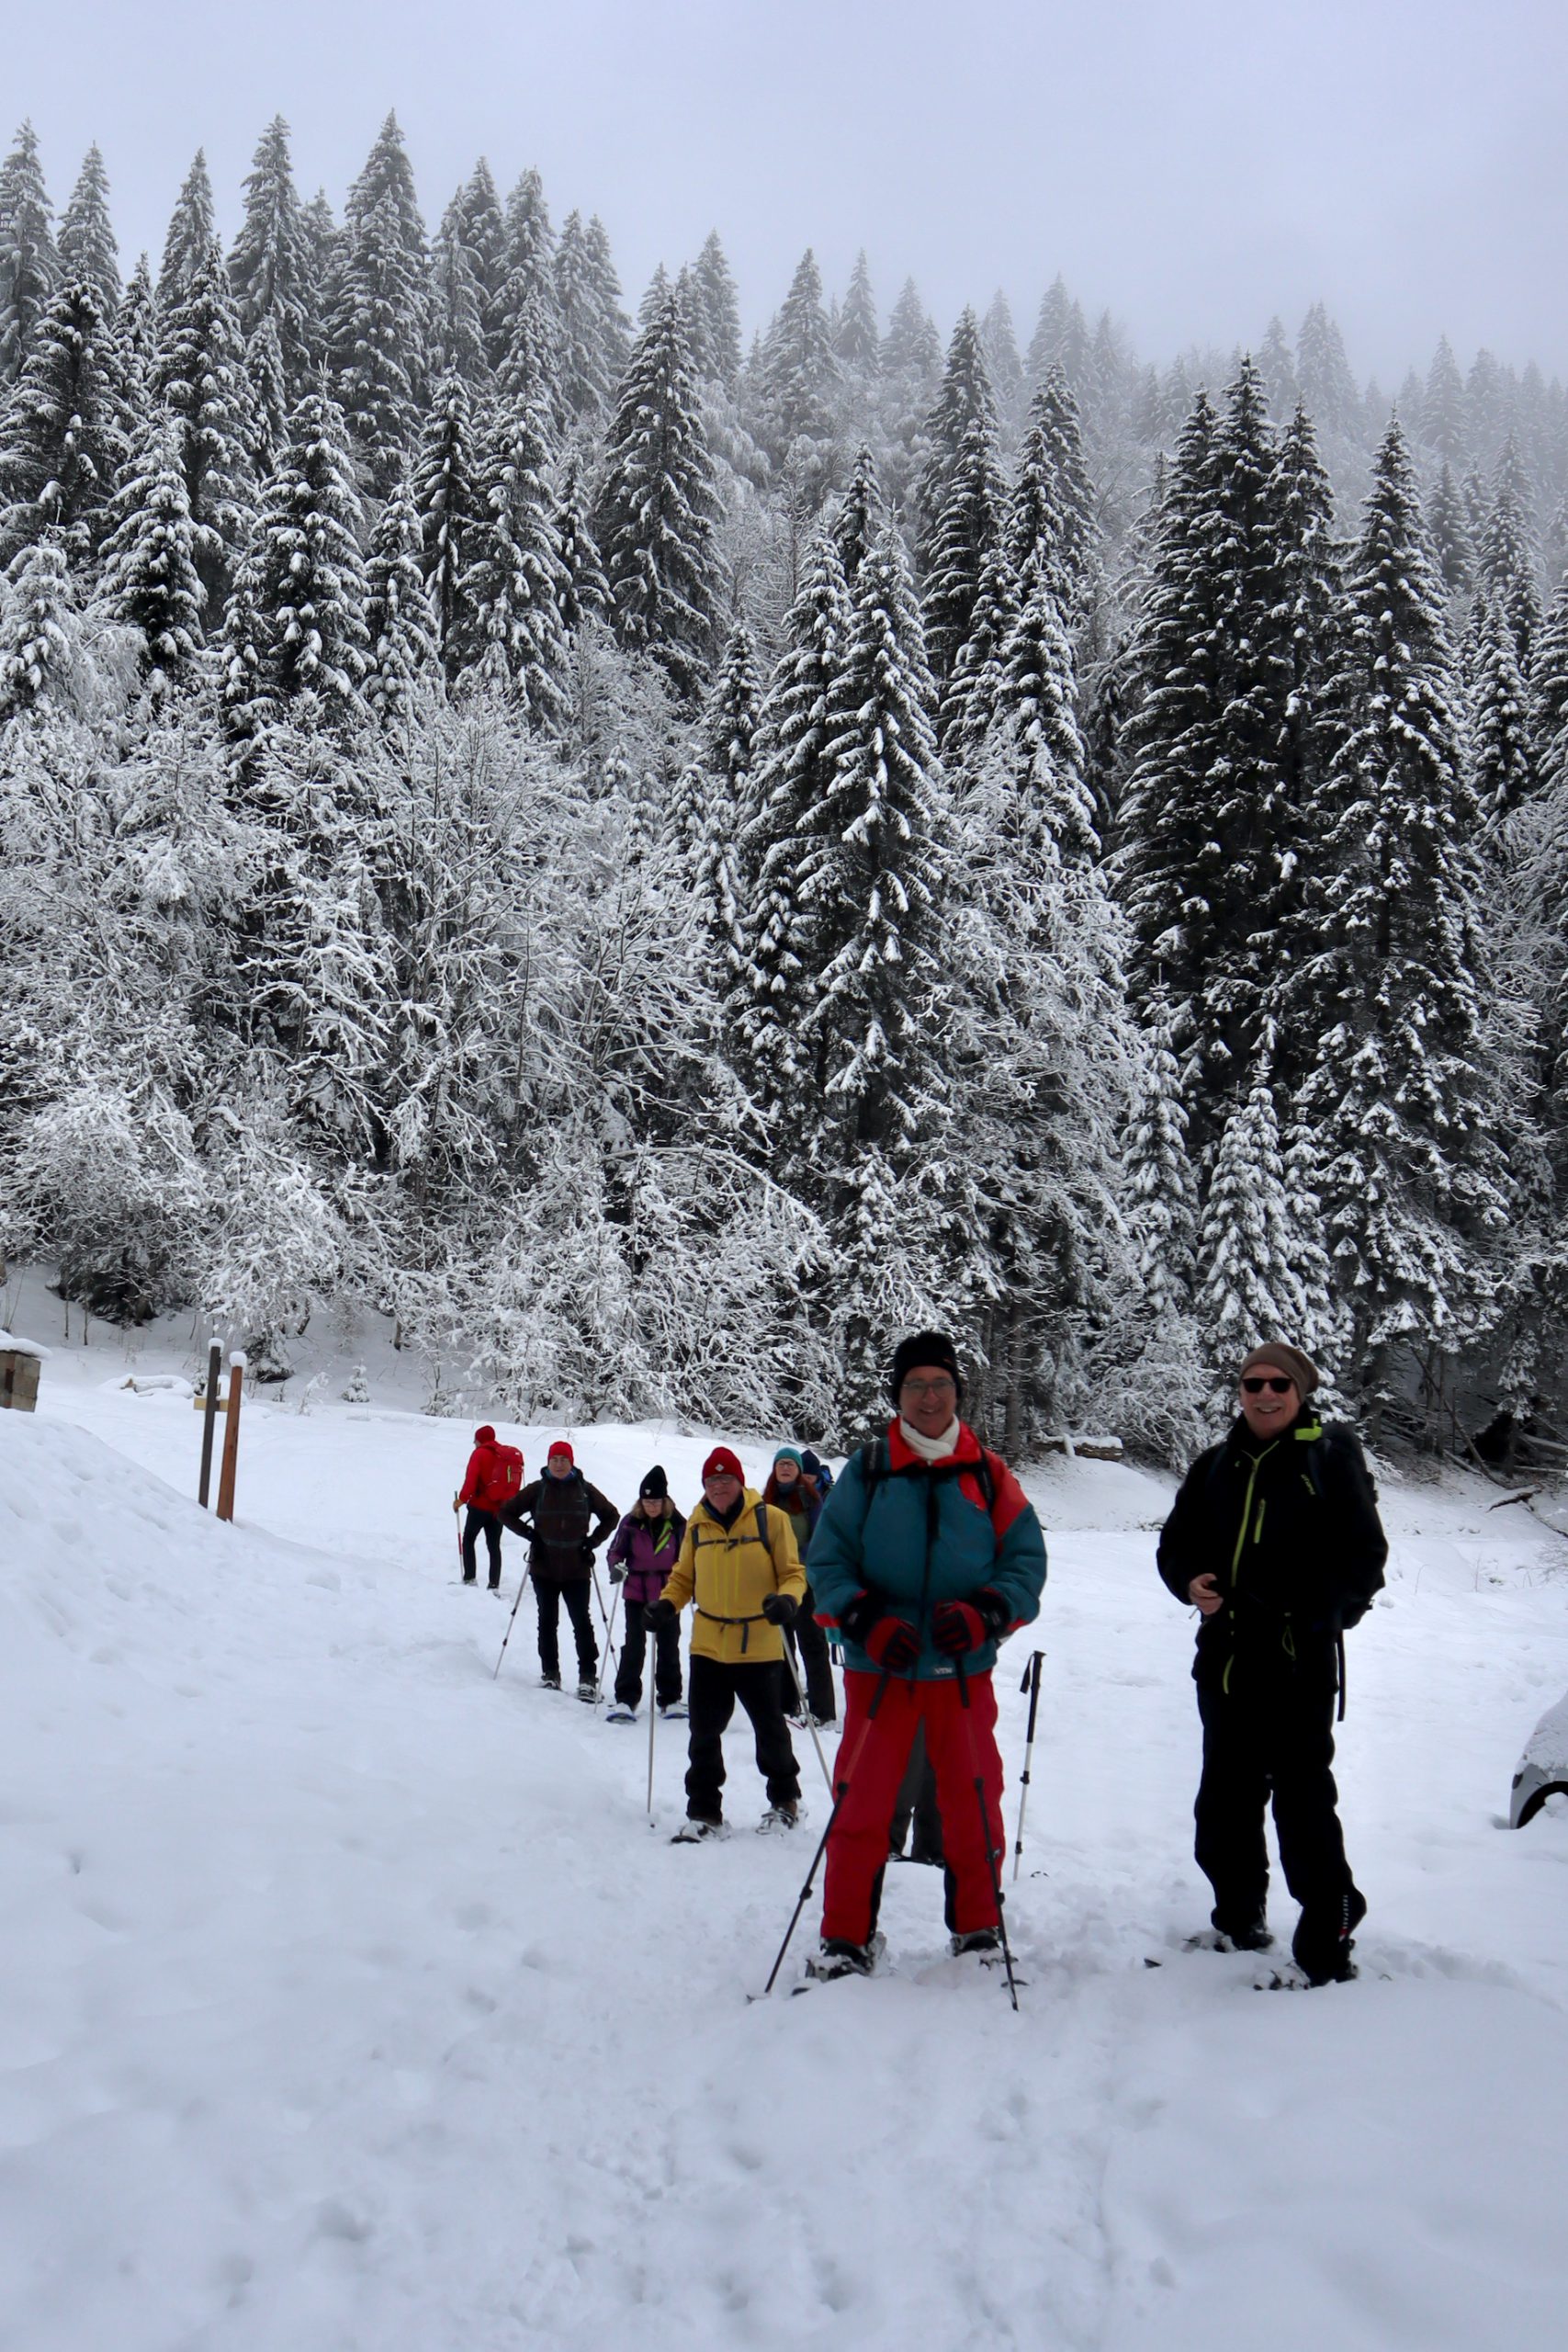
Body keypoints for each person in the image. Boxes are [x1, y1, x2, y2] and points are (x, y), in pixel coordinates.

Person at [806, 1333, 1047, 1978]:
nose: (929, 1396)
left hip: (960, 1673)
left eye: (939, 1384)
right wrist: (862, 1619)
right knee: (861, 1803)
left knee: (972, 1800)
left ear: (957, 1393)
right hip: (878, 1670)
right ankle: (844, 1939)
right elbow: (826, 1560)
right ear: (898, 1396)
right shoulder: (867, 1468)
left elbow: (1025, 1563)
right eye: (915, 1385)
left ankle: (976, 1929)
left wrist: (987, 1613)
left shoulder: (988, 1475)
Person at [1156, 1341, 1388, 1985]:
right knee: (1224, 1800)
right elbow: (1175, 1543)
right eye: (1252, 1383)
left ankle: (1327, 1935)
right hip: (1226, 1661)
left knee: (1302, 1803)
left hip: (1296, 1664)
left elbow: (1364, 1559)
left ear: (1299, 1392)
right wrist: (1189, 1581)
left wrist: (1313, 1612)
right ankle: (1238, 1918)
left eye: (1278, 1385)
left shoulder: (1328, 1459)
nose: (1264, 1394)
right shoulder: (1215, 1464)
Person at [647, 1445, 807, 1838]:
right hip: (709, 1644)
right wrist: (667, 1605)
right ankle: (705, 1813)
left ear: (740, 1481)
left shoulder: (772, 1520)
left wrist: (787, 1600)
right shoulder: (697, 1526)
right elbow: (683, 1577)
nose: (719, 1486)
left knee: (770, 1729)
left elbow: (793, 1573)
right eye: (712, 1480)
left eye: (726, 1479)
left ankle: (784, 1802)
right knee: (703, 1732)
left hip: (760, 1643)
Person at [502, 1441, 617, 1698]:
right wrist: (530, 1534)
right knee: (547, 1621)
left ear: (572, 1462)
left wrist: (593, 1542)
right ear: (548, 1462)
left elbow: (611, 1515)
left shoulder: (585, 1490)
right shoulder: (537, 1489)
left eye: (564, 1459)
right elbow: (506, 1513)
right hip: (544, 1566)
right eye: (555, 1459)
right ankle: (550, 1673)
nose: (559, 1464)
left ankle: (588, 1677)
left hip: (577, 1567)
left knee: (581, 1623)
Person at [605, 1466, 687, 1722]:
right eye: (647, 1501)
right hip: (637, 1593)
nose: (651, 1505)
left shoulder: (677, 1524)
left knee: (669, 1646)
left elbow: (687, 1556)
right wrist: (616, 1567)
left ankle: (670, 1698)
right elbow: (615, 1551)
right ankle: (626, 1699)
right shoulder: (630, 1523)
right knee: (634, 1646)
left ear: (665, 1500)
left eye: (656, 1501)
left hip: (668, 1594)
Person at [763, 1445, 836, 1728]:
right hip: (773, 1583)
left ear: (797, 1471)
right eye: (780, 1463)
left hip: (804, 1582)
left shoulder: (811, 1499)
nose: (785, 1468)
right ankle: (787, 1703)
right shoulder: (764, 1501)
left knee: (812, 1643)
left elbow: (820, 1539)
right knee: (781, 1645)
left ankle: (823, 1710)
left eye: (790, 1465)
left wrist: (792, 1557)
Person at [453, 1424, 519, 1589]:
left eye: (475, 1440)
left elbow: (471, 1480)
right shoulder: (503, 1455)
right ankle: (494, 1585)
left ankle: (469, 1579)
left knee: (468, 1540)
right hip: (498, 1508)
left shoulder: (479, 1454)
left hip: (479, 1507)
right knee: (494, 1546)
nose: (474, 1443)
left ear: (480, 1439)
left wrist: (461, 1500)